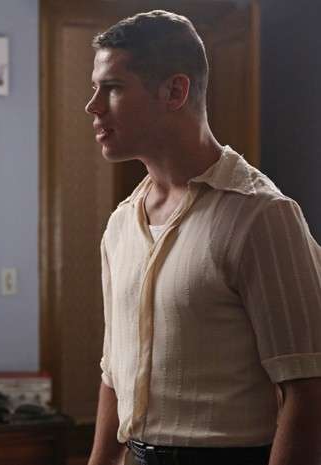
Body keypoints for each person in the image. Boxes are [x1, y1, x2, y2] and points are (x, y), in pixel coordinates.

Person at [84, 10, 321, 465]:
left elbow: (309, 389)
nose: (93, 106)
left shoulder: (262, 216)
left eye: (112, 87)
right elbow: (113, 372)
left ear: (175, 91)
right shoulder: (120, 225)